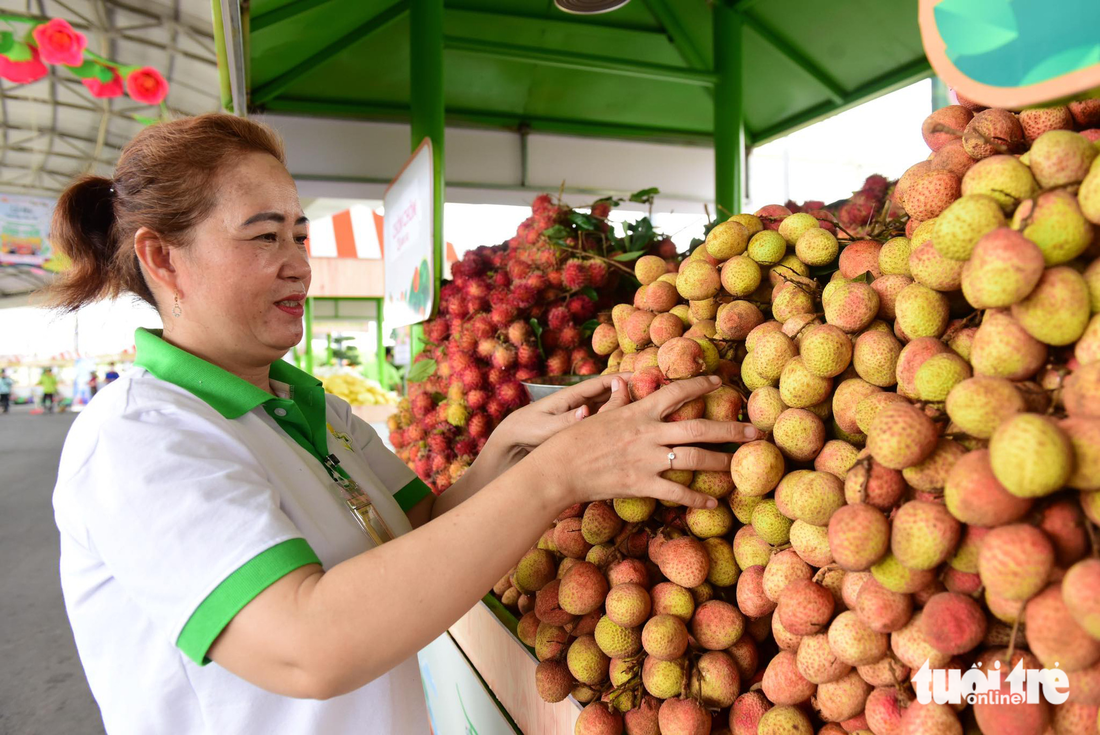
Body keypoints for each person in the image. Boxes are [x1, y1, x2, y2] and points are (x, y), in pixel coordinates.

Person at [47, 114, 758, 735]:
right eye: (265, 237)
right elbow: (306, 644)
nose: (299, 265)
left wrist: (508, 448)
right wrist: (556, 474)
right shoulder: (139, 439)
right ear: (161, 256)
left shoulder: (309, 405)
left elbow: (418, 533)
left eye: (299, 234)